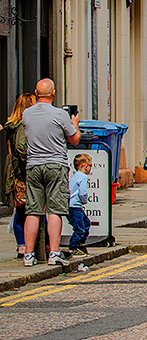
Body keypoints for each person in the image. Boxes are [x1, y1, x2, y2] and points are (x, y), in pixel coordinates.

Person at [21, 79, 81, 267]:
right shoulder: (60, 114)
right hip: (55, 165)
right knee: (55, 210)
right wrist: (75, 123)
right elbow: (74, 139)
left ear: (36, 93)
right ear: (53, 93)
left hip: (33, 166)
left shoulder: (26, 114)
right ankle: (54, 253)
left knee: (33, 211)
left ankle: (28, 255)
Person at [5, 93, 35, 259]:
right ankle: (23, 246)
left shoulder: (13, 125)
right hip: (22, 174)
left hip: (15, 173)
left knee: (20, 210)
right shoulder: (22, 126)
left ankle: (22, 245)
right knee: (24, 210)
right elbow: (21, 148)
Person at [67, 154, 93, 256]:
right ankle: (73, 247)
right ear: (85, 166)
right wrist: (84, 200)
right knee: (80, 228)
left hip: (72, 206)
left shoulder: (74, 176)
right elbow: (82, 193)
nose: (91, 168)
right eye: (91, 165)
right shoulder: (83, 177)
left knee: (86, 223)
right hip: (75, 206)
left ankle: (81, 244)